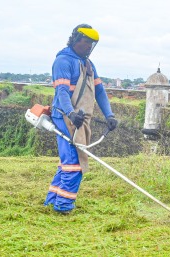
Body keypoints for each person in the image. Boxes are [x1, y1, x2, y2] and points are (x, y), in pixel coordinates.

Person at [44, 24, 118, 214]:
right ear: (76, 40)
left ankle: (52, 201)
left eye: (92, 45)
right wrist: (70, 114)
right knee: (74, 163)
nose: (88, 48)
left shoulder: (88, 64)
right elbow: (61, 91)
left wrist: (109, 114)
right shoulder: (63, 61)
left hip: (79, 117)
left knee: (67, 162)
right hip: (64, 116)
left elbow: (99, 91)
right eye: (86, 43)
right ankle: (63, 207)